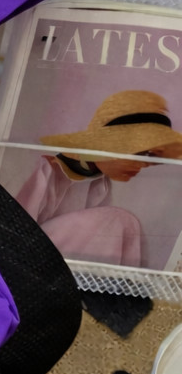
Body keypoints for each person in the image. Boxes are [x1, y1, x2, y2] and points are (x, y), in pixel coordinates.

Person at [16, 90, 182, 266]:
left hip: (63, 262)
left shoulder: (100, 182)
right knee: (120, 220)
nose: (141, 165)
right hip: (27, 256)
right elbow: (14, 230)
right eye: (138, 154)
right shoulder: (46, 170)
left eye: (148, 157)